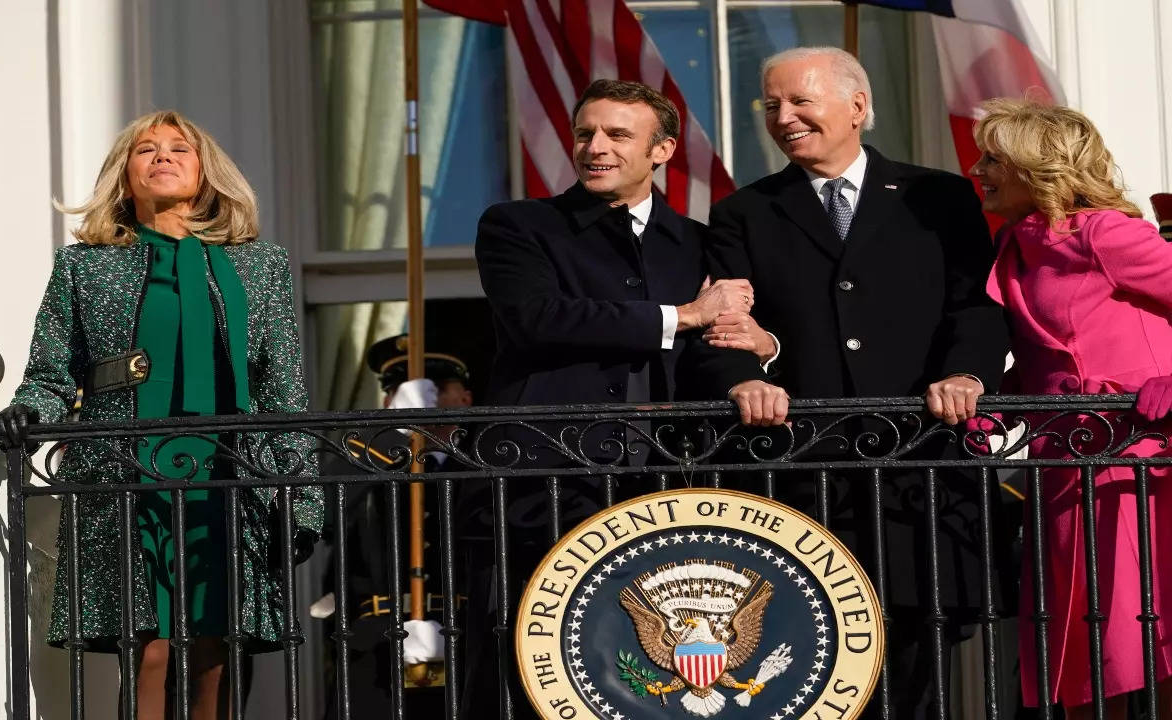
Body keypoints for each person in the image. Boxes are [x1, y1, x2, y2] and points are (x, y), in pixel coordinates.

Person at [0, 110, 321, 720]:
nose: (162, 156)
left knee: (218, 647)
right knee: (151, 649)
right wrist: (24, 412)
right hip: (122, 473)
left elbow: (282, 391)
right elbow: (52, 373)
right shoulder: (83, 266)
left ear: (206, 173)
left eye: (179, 149)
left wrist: (302, 497)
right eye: (145, 149)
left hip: (231, 474)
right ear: (125, 175)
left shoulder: (260, 265)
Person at [704, 47, 1010, 717]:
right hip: (805, 476)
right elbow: (727, 326)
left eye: (800, 101)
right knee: (809, 669)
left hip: (921, 469)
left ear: (858, 107)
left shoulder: (938, 197)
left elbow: (977, 307)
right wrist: (744, 381)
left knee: (915, 665)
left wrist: (967, 373)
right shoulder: (745, 213)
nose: (784, 118)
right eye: (772, 105)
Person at [469, 78, 773, 718]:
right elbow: (539, 318)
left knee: (647, 672)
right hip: (541, 479)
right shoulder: (519, 226)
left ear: (662, 151)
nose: (594, 147)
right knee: (532, 660)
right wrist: (681, 315)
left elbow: (713, 348)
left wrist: (750, 367)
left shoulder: (695, 242)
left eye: (616, 135)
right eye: (585, 133)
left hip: (664, 483)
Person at [972, 98, 1172, 717]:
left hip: (1142, 454)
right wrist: (994, 403)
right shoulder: (1016, 244)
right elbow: (1046, 354)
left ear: (1037, 167)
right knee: (1085, 639)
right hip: (1065, 458)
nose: (977, 169)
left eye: (993, 159)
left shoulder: (1109, 233)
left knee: (1145, 628)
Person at [316, 334, 474, 718]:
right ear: (389, 402)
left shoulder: (483, 464)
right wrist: (390, 433)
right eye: (403, 392)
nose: (426, 401)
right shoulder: (366, 459)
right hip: (375, 642)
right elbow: (322, 515)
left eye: (436, 389)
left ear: (465, 399)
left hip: (469, 638)